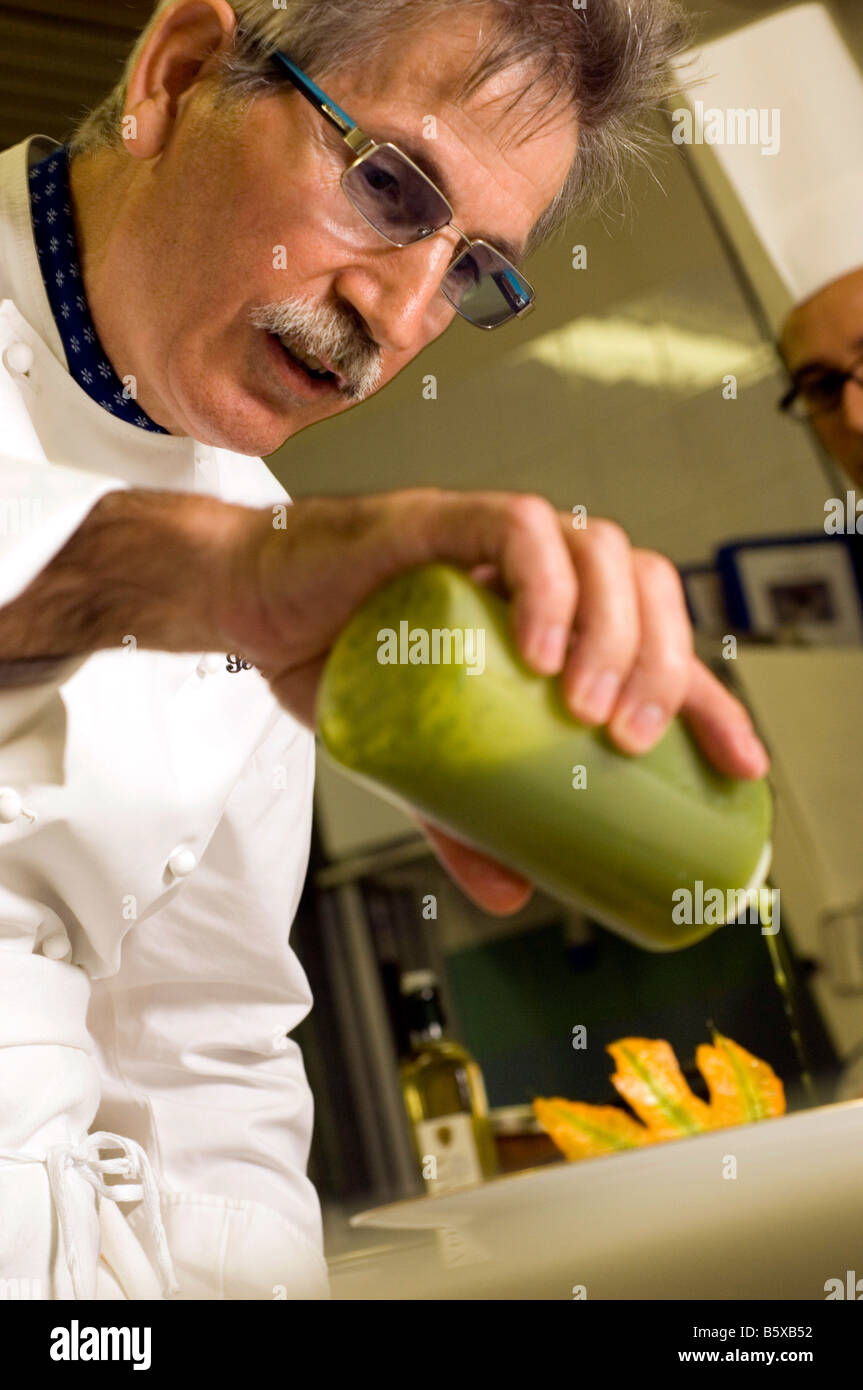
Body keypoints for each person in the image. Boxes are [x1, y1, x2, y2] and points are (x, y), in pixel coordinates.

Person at [0, 0, 768, 1300]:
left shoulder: (255, 534)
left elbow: (207, 1046)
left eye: (472, 269)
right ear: (177, 75)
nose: (400, 315)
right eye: (390, 185)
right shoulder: (249, 567)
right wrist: (211, 581)